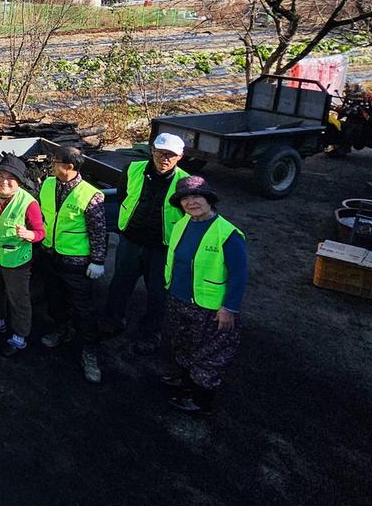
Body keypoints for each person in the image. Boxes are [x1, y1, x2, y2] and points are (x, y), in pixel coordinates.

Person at [162, 175, 248, 415]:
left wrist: (229, 308)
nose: (191, 202)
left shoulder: (228, 234)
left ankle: (201, 401)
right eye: (185, 199)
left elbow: (239, 275)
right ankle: (186, 383)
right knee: (183, 343)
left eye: (197, 196)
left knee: (210, 354)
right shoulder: (182, 224)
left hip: (211, 308)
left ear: (209, 199)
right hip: (179, 299)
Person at [102, 133, 190, 354]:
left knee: (158, 293)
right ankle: (113, 321)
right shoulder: (131, 169)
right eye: (161, 153)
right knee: (120, 284)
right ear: (152, 151)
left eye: (171, 155)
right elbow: (122, 196)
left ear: (180, 157)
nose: (165, 159)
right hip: (131, 241)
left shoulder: (185, 183)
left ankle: (150, 333)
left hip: (162, 248)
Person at [38, 146, 107, 384]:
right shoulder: (47, 184)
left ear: (69, 166)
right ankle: (61, 329)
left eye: (55, 162)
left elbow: (98, 231)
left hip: (76, 262)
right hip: (50, 255)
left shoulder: (90, 194)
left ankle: (90, 353)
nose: (52, 165)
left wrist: (98, 261)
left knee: (83, 309)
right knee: (55, 298)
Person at [0, 154, 45, 358]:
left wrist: (30, 235)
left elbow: (40, 232)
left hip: (16, 260)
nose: (4, 181)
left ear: (18, 181)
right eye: (1, 175)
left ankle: (20, 336)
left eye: (10, 177)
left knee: (18, 299)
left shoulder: (29, 203)